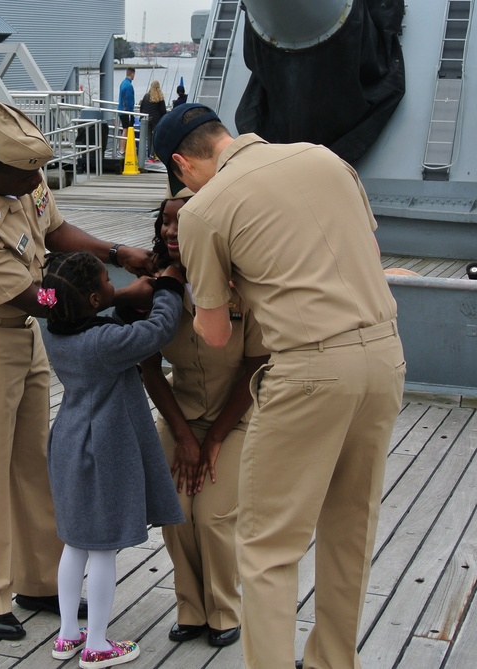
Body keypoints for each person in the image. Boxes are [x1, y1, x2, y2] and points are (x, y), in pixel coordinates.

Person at [153, 103, 406, 669]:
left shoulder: (204, 209)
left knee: (267, 547)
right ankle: (334, 661)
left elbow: (215, 335)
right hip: (385, 356)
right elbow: (364, 251)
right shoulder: (325, 159)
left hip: (310, 370)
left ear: (181, 164)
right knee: (350, 526)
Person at [0, 97, 155, 641]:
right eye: (26, 171)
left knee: (34, 461)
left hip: (23, 342)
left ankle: (36, 580)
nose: (38, 181)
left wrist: (115, 250)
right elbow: (40, 298)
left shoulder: (20, 182)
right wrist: (119, 298)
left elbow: (54, 233)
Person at [39, 251, 186, 668]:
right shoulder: (105, 345)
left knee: (75, 544)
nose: (112, 285)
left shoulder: (57, 332)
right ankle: (98, 644)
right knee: (103, 549)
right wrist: (169, 286)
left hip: (69, 443)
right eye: (107, 281)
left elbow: (100, 318)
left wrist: (120, 301)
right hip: (100, 450)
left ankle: (68, 634)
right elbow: (157, 330)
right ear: (90, 299)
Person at [139, 190, 269, 649]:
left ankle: (224, 610)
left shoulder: (245, 285)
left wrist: (212, 438)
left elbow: (255, 365)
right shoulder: (155, 288)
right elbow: (149, 366)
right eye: (165, 223)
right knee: (176, 514)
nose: (171, 232)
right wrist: (184, 435)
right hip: (179, 414)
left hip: (234, 419)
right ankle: (190, 608)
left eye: (182, 223)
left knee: (213, 517)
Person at [139, 80, 168, 160]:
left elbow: (142, 108)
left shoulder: (146, 96)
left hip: (146, 119)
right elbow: (163, 111)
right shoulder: (160, 97)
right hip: (156, 119)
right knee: (154, 137)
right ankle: (152, 154)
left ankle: (148, 154)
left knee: (148, 136)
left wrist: (141, 117)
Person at [117, 67, 136, 153]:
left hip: (121, 109)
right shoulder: (129, 86)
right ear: (132, 74)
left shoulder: (123, 83)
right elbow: (129, 100)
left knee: (124, 129)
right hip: (125, 111)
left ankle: (123, 149)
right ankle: (122, 150)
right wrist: (131, 114)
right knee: (126, 129)